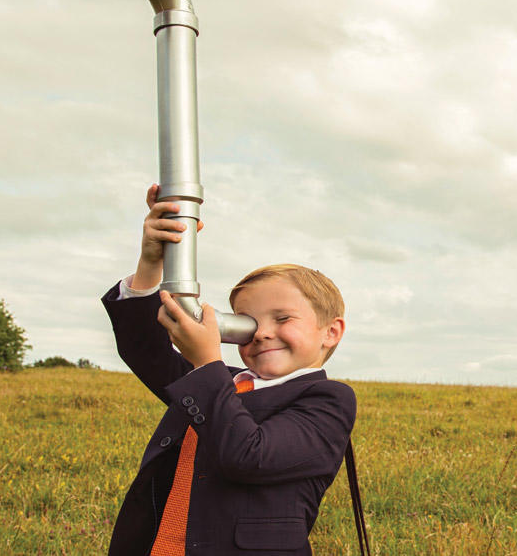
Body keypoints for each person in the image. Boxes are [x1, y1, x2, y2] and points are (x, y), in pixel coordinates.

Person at [101, 184, 356, 555]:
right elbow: (145, 351)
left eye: (282, 318)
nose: (263, 332)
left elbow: (249, 456)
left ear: (330, 332)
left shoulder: (328, 400)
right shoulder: (221, 382)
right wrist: (151, 264)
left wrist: (207, 362)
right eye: (246, 322)